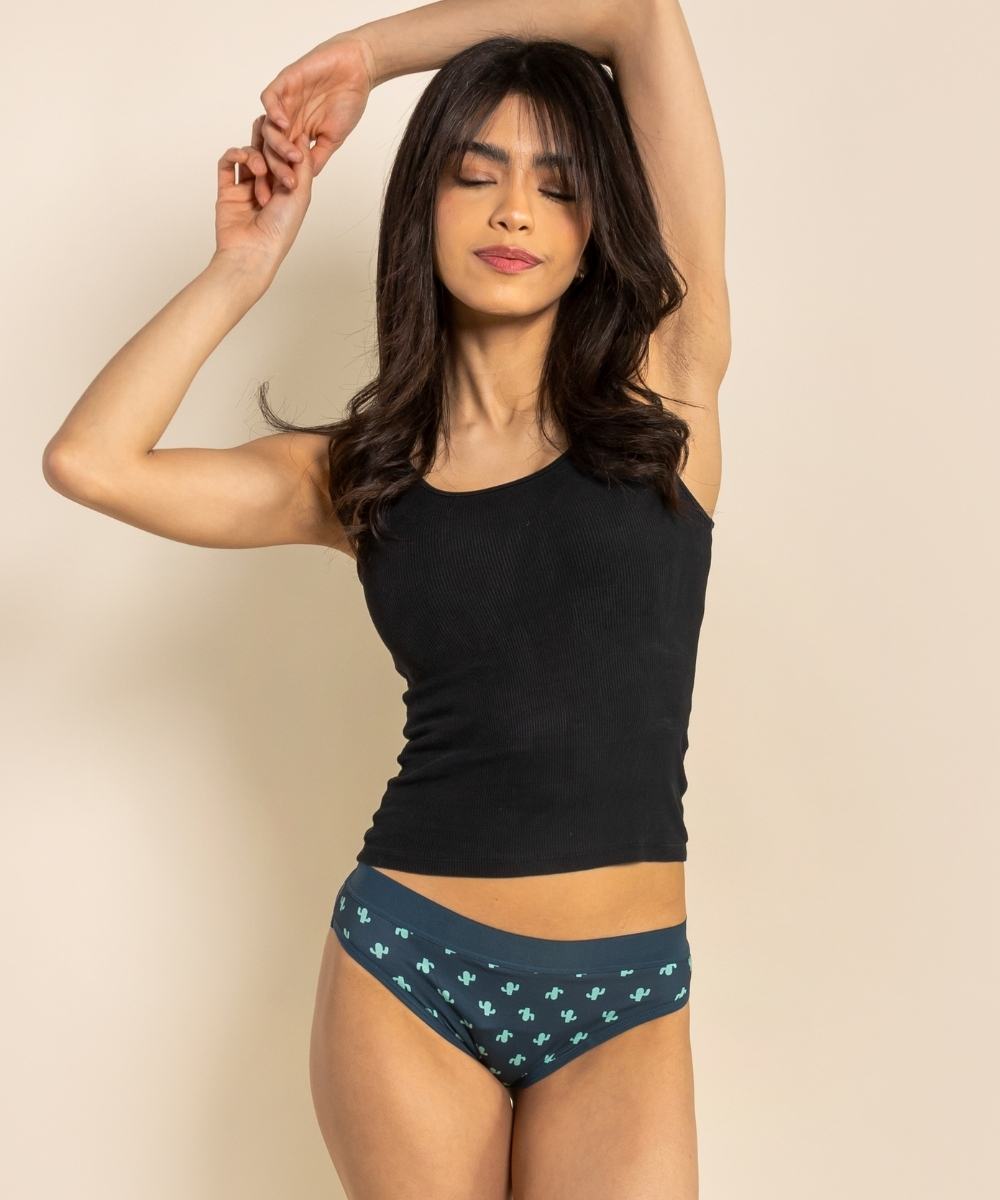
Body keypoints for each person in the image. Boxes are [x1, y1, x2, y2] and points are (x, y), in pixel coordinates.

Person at [43, 1, 728, 1194]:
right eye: (476, 174)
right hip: (412, 967)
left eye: (558, 186)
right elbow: (90, 462)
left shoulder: (668, 392)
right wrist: (244, 267)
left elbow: (633, 11)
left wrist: (368, 57)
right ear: (424, 204)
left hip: (624, 993)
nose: (513, 210)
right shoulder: (357, 475)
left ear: (594, 228)